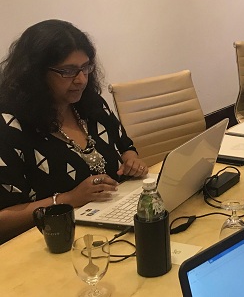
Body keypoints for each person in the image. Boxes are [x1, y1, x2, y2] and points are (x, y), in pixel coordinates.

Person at [0, 20, 148, 242]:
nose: (81, 80)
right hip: (51, 241)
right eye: (68, 71)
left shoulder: (91, 104)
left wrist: (131, 160)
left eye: (85, 67)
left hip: (111, 223)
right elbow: (3, 219)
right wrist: (68, 199)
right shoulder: (10, 127)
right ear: (35, 73)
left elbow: (125, 146)